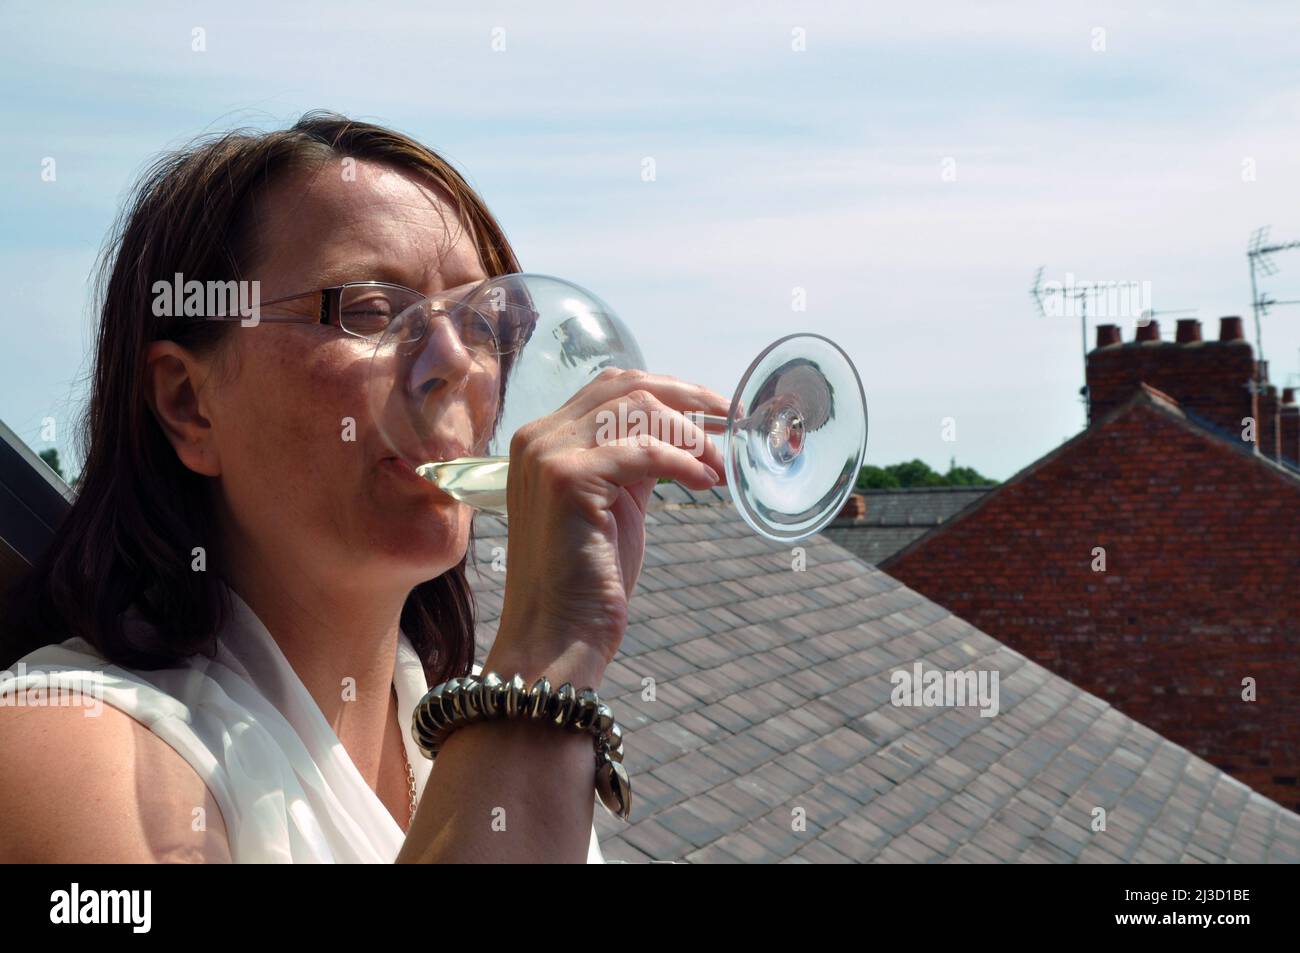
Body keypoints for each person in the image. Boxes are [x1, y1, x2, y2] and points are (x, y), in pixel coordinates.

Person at [0, 112, 729, 863]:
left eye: (484, 323)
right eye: (371, 310)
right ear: (190, 404)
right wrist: (543, 658)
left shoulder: (464, 723)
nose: (452, 361)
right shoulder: (69, 750)